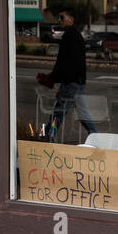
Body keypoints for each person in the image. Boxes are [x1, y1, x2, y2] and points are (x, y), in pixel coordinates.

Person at [37, 7, 97, 140]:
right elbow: (75, 62)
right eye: (59, 18)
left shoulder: (69, 36)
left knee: (58, 112)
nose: (59, 20)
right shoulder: (76, 36)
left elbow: (64, 61)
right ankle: (95, 136)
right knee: (82, 113)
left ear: (71, 19)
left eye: (62, 17)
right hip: (78, 82)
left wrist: (52, 77)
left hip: (70, 84)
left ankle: (47, 136)